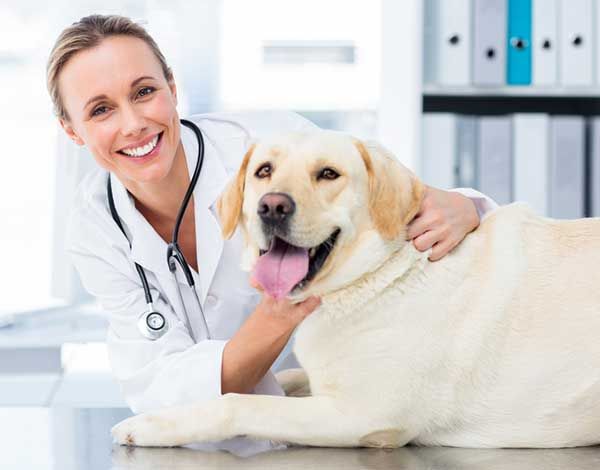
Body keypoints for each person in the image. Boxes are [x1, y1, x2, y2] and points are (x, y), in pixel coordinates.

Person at [47, 15, 497, 416]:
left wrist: (467, 207)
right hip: (221, 438)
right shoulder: (95, 230)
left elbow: (388, 207)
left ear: (172, 88)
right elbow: (160, 388)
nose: (133, 124)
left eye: (144, 92)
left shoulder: (272, 145)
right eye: (101, 110)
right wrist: (278, 313)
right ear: (72, 130)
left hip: (344, 409)